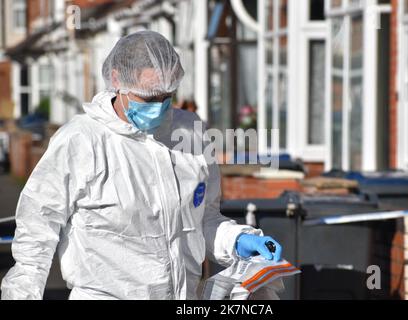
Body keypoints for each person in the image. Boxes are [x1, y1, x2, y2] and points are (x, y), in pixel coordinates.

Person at [1, 31, 282, 300]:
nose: (159, 107)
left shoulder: (191, 133)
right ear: (116, 80)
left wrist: (237, 240)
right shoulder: (81, 140)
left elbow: (202, 220)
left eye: (166, 96)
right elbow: (37, 230)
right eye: (148, 98)